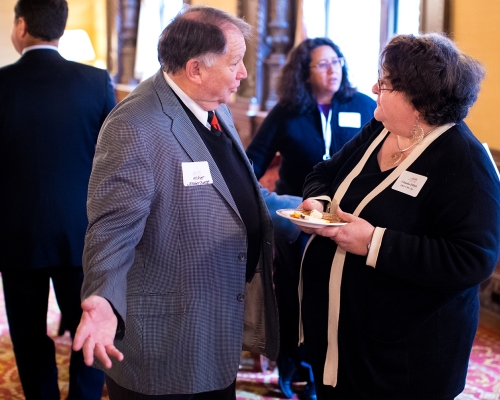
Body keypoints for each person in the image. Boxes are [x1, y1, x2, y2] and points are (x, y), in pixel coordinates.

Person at [72, 6, 299, 399]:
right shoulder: (136, 125)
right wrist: (102, 298)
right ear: (195, 69)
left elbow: (233, 189)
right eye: (235, 62)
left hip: (213, 330)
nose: (243, 73)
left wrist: (294, 208)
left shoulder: (213, 106)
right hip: (165, 344)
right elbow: (111, 230)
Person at [295, 33, 500, 400]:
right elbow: (324, 172)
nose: (374, 86)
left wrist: (374, 243)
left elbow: (473, 260)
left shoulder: (464, 162)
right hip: (342, 341)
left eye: (385, 82)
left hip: (405, 360)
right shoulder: (381, 129)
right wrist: (318, 203)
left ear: (418, 99)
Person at [246, 37, 375, 399]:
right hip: (301, 221)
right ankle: (294, 364)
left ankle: (331, 369)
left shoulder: (364, 106)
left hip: (349, 223)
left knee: (340, 299)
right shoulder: (289, 110)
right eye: (322, 64)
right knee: (296, 297)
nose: (332, 69)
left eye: (336, 61)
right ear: (304, 72)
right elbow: (253, 159)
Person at [0, 0, 116, 398]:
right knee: (92, 329)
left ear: (20, 26)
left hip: (16, 233)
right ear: (60, 29)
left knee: (29, 335)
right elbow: (114, 160)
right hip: (82, 233)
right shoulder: (96, 82)